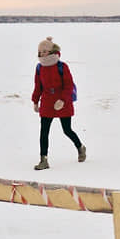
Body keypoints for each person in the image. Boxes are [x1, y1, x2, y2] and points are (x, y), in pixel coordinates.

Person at [31, 37, 85, 170]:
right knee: (44, 131)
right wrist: (35, 101)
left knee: (67, 130)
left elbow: (68, 86)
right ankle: (43, 160)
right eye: (40, 51)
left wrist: (62, 100)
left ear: (51, 51)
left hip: (63, 101)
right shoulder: (39, 68)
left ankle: (80, 147)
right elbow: (38, 86)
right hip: (47, 101)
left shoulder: (62, 66)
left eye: (45, 51)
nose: (42, 53)